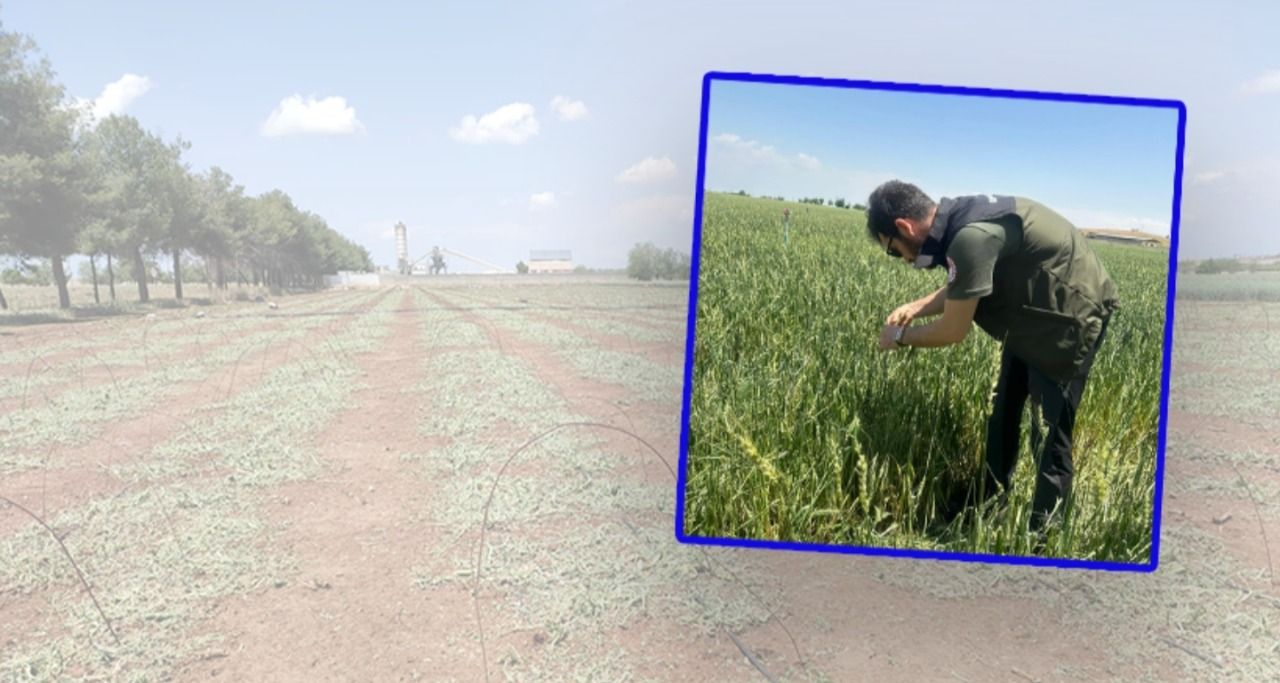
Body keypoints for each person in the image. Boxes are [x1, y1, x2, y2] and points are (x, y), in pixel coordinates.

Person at [865, 180, 1119, 531]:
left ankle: (1044, 539)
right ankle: (987, 502)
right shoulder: (961, 223)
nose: (905, 261)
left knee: (1048, 436)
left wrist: (899, 337)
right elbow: (967, 276)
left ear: (904, 227)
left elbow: (952, 331)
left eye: (894, 251)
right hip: (1030, 315)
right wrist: (917, 306)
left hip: (1068, 319)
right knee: (1003, 412)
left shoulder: (970, 236)